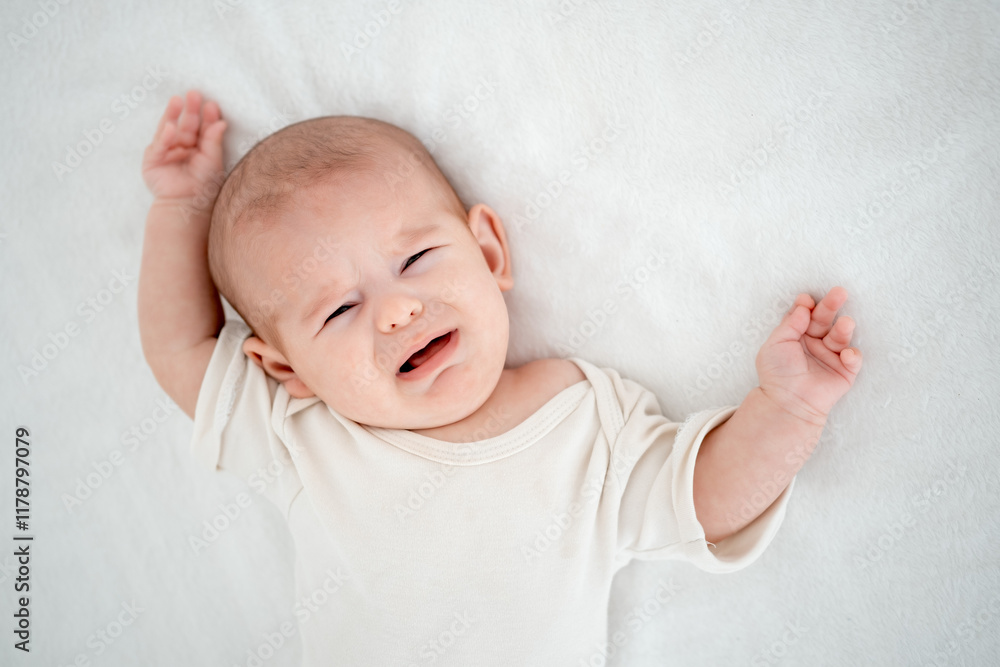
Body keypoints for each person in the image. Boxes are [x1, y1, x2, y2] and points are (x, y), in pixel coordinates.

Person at [138, 90, 862, 665]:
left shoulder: (583, 417)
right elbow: (181, 344)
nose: (396, 311)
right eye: (339, 309)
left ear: (488, 252)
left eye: (415, 260)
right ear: (288, 369)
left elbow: (703, 498)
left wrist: (787, 408)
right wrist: (180, 207)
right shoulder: (301, 434)